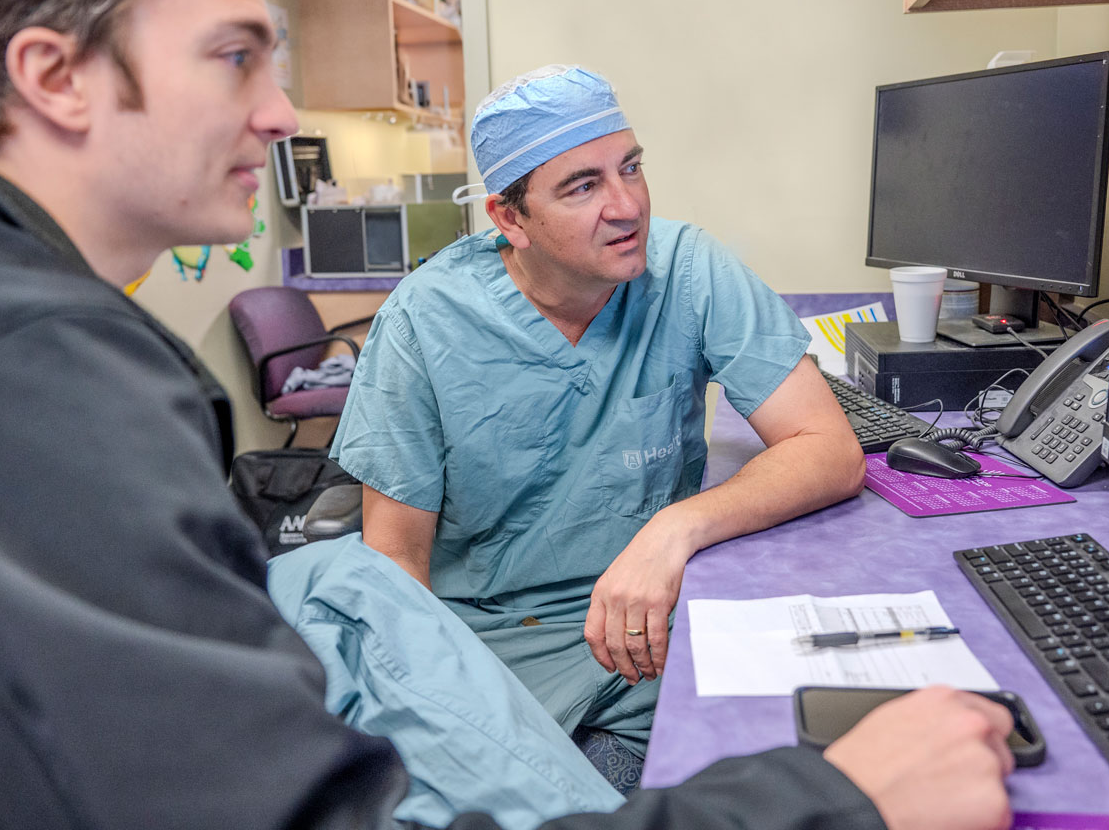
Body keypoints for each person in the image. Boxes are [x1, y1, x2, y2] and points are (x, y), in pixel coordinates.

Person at [0, 0, 1016, 830]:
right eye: (234, 57)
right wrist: (835, 801)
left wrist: (676, 534)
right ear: (53, 77)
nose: (280, 113)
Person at [332, 65, 864, 764]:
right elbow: (396, 560)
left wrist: (673, 529)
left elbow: (827, 447)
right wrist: (436, 711)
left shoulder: (688, 270)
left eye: (630, 168)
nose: (626, 205)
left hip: (647, 628)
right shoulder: (425, 320)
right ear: (508, 218)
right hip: (493, 641)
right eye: (582, 186)